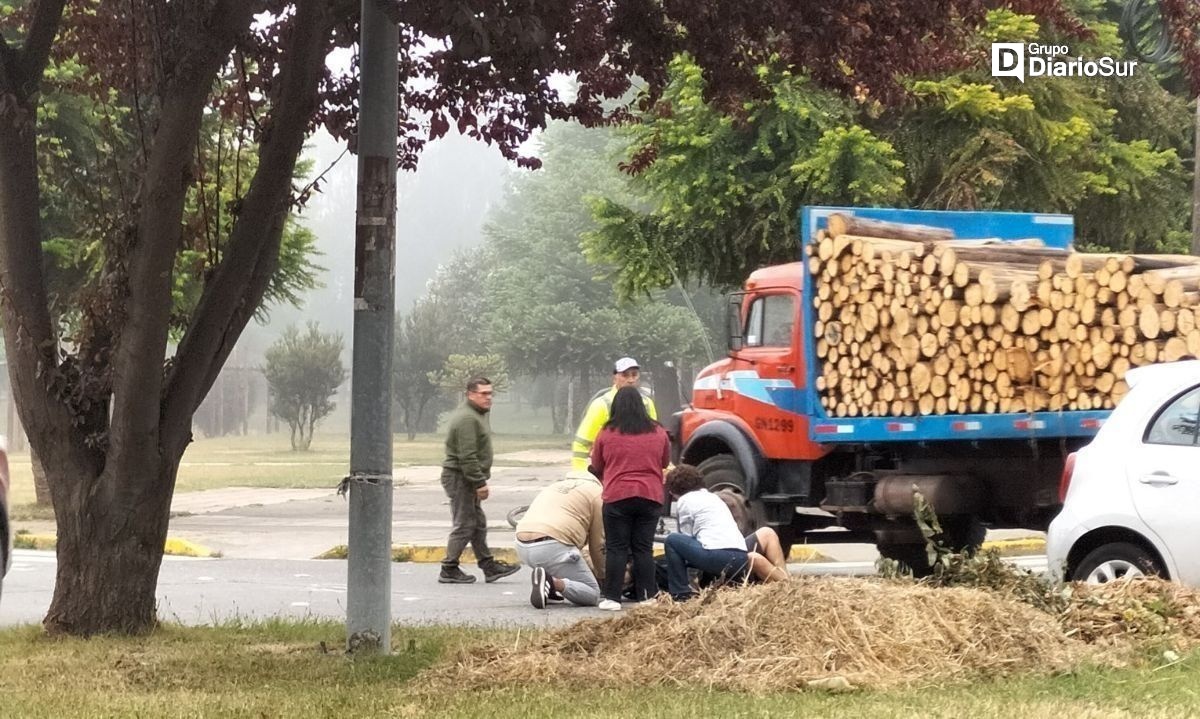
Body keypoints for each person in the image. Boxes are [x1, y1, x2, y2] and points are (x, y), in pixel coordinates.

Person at [590, 385, 670, 611]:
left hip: (617, 496)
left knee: (617, 547)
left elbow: (597, 464)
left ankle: (612, 598)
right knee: (643, 548)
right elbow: (664, 462)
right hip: (651, 496)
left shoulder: (606, 433)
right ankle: (647, 595)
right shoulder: (658, 432)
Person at [438, 376, 520, 584]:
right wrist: (479, 482)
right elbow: (467, 456)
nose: (488, 397)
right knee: (465, 524)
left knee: (478, 523)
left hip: (466, 477)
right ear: (470, 394)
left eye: (490, 393)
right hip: (460, 477)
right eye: (483, 393)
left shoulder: (476, 415)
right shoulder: (467, 418)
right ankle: (449, 568)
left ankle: (488, 565)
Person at [515, 474, 606, 608]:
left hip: (521, 544)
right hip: (552, 545)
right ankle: (553, 583)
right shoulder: (597, 494)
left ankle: (548, 588)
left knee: (557, 561)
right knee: (592, 593)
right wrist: (602, 575)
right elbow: (597, 544)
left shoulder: (554, 486)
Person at [663, 464, 751, 601]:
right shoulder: (714, 498)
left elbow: (687, 539)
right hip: (742, 557)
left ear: (673, 491)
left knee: (673, 541)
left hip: (717, 557)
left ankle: (680, 594)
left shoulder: (684, 501)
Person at [571, 357, 659, 473]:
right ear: (614, 378)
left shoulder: (647, 404)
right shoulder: (601, 405)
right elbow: (581, 444)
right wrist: (581, 475)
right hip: (610, 474)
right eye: (625, 375)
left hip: (641, 472)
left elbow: (655, 440)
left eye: (634, 375)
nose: (631, 380)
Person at [715, 488, 789, 583]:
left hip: (728, 548)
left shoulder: (709, 501)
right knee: (754, 558)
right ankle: (786, 585)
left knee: (767, 533)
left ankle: (785, 579)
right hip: (715, 559)